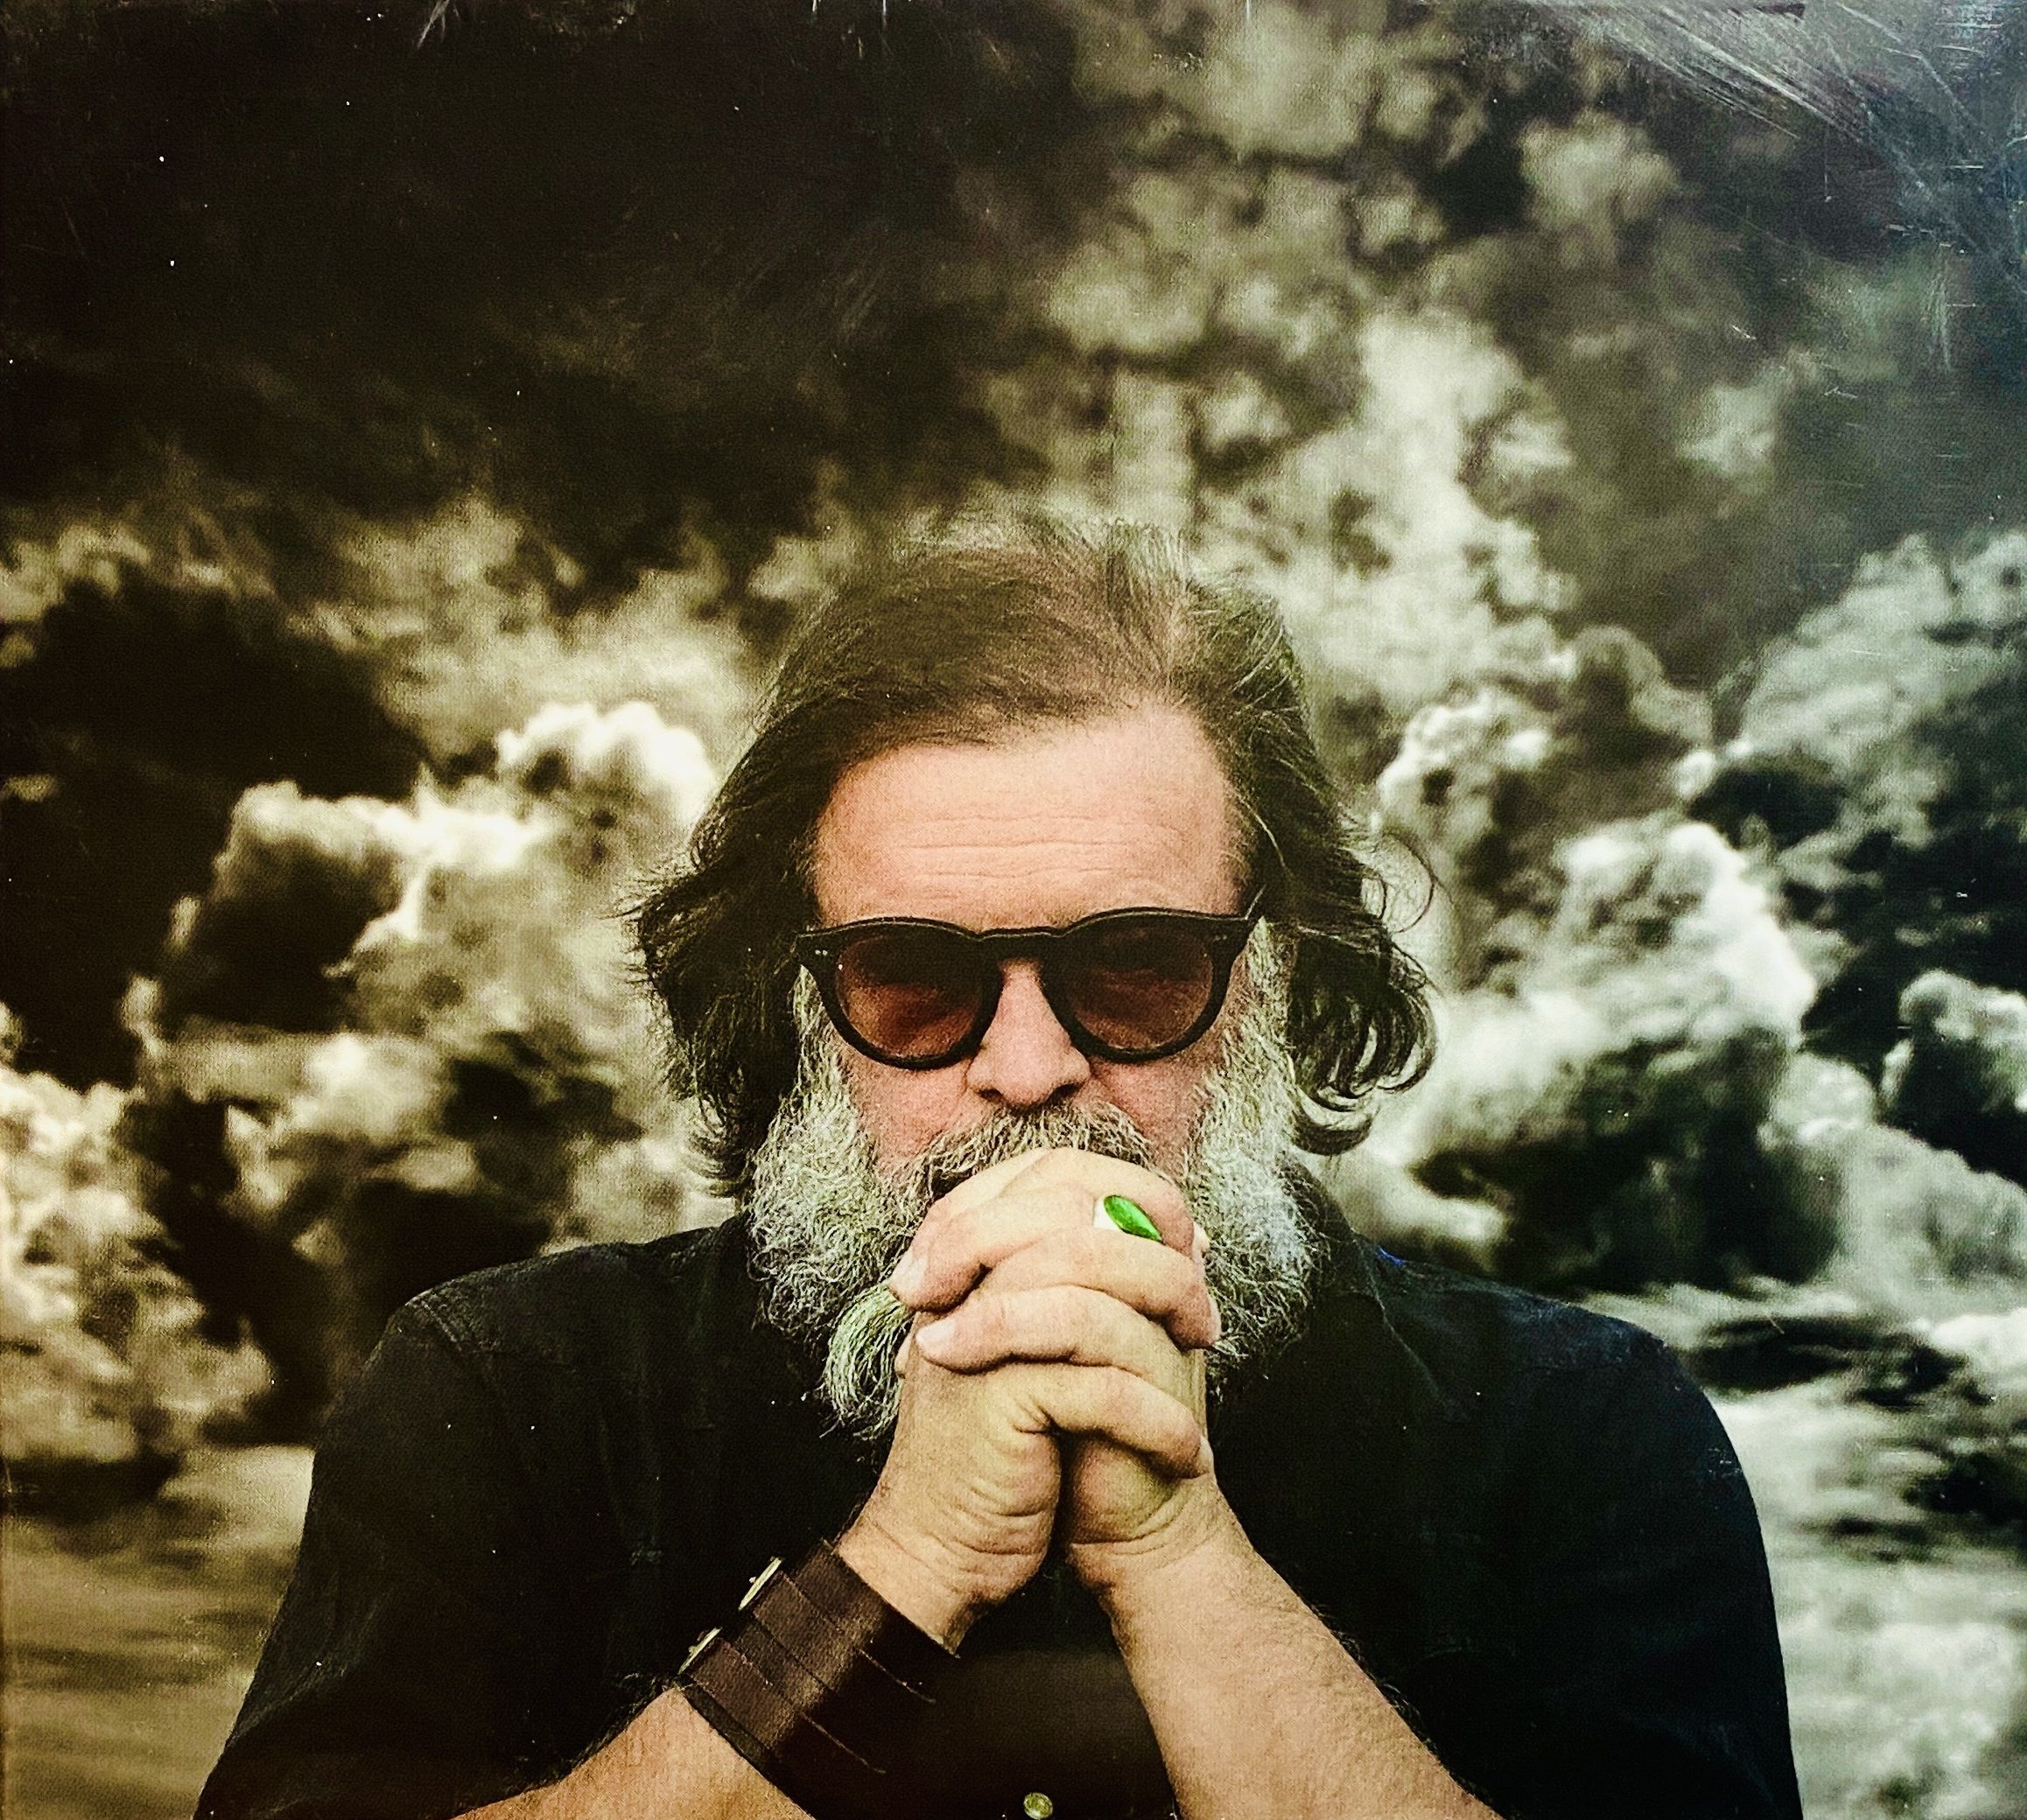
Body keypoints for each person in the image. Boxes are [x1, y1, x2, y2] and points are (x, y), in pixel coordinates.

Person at [197, 521, 1803, 1820]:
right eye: (912, 977)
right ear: (799, 1004)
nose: (1028, 1068)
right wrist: (905, 1566)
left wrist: (1175, 1558)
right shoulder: (500, 1395)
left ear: (1277, 977)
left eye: (1137, 968)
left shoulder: (1584, 1439)